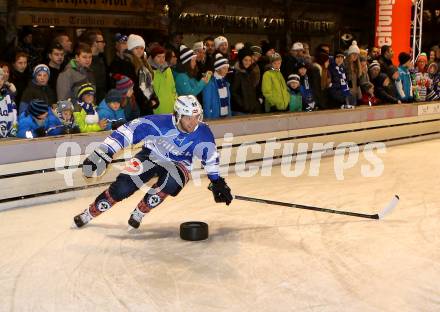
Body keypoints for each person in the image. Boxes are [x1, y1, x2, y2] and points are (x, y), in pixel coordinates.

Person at [72, 95, 233, 229]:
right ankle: (90, 213)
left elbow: (210, 157)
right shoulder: (157, 123)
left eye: (196, 117)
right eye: (188, 117)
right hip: (150, 155)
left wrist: (217, 181)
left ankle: (141, 211)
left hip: (179, 164)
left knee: (172, 182)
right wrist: (105, 152)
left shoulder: (203, 132)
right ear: (178, 115)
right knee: (122, 188)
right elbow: (127, 131)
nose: (193, 122)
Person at [109, 34, 158, 116]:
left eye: (142, 48)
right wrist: (146, 103)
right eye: (136, 48)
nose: (139, 51)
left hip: (145, 105)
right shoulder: (127, 63)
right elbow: (132, 87)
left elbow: (149, 85)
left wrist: (154, 98)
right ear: (130, 49)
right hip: (136, 106)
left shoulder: (144, 63)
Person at [231, 48, 261, 114]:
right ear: (241, 60)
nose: (248, 62)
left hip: (249, 110)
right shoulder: (237, 74)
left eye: (250, 60)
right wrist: (243, 105)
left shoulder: (248, 72)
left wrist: (254, 104)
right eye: (245, 60)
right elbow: (234, 92)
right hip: (240, 111)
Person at [148, 45, 177, 115]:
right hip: (157, 108)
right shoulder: (148, 71)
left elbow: (173, 88)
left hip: (171, 107)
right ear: (152, 57)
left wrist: (175, 99)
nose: (161, 59)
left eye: (163, 57)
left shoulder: (168, 69)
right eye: (158, 57)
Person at [0, 68, 17, 138]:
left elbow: (14, 118)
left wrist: (13, 131)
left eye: (1, 79)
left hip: (7, 137)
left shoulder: (8, 98)